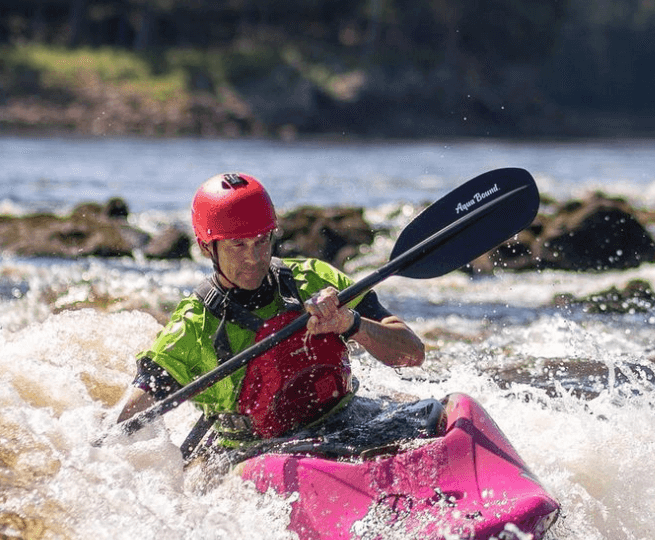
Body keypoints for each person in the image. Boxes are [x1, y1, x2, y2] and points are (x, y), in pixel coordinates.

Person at [116, 171, 425, 451]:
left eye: (262, 241)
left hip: (345, 420)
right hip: (255, 452)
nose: (255, 258)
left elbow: (412, 354)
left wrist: (350, 323)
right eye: (238, 245)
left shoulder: (315, 280)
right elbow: (125, 422)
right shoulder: (192, 328)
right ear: (206, 247)